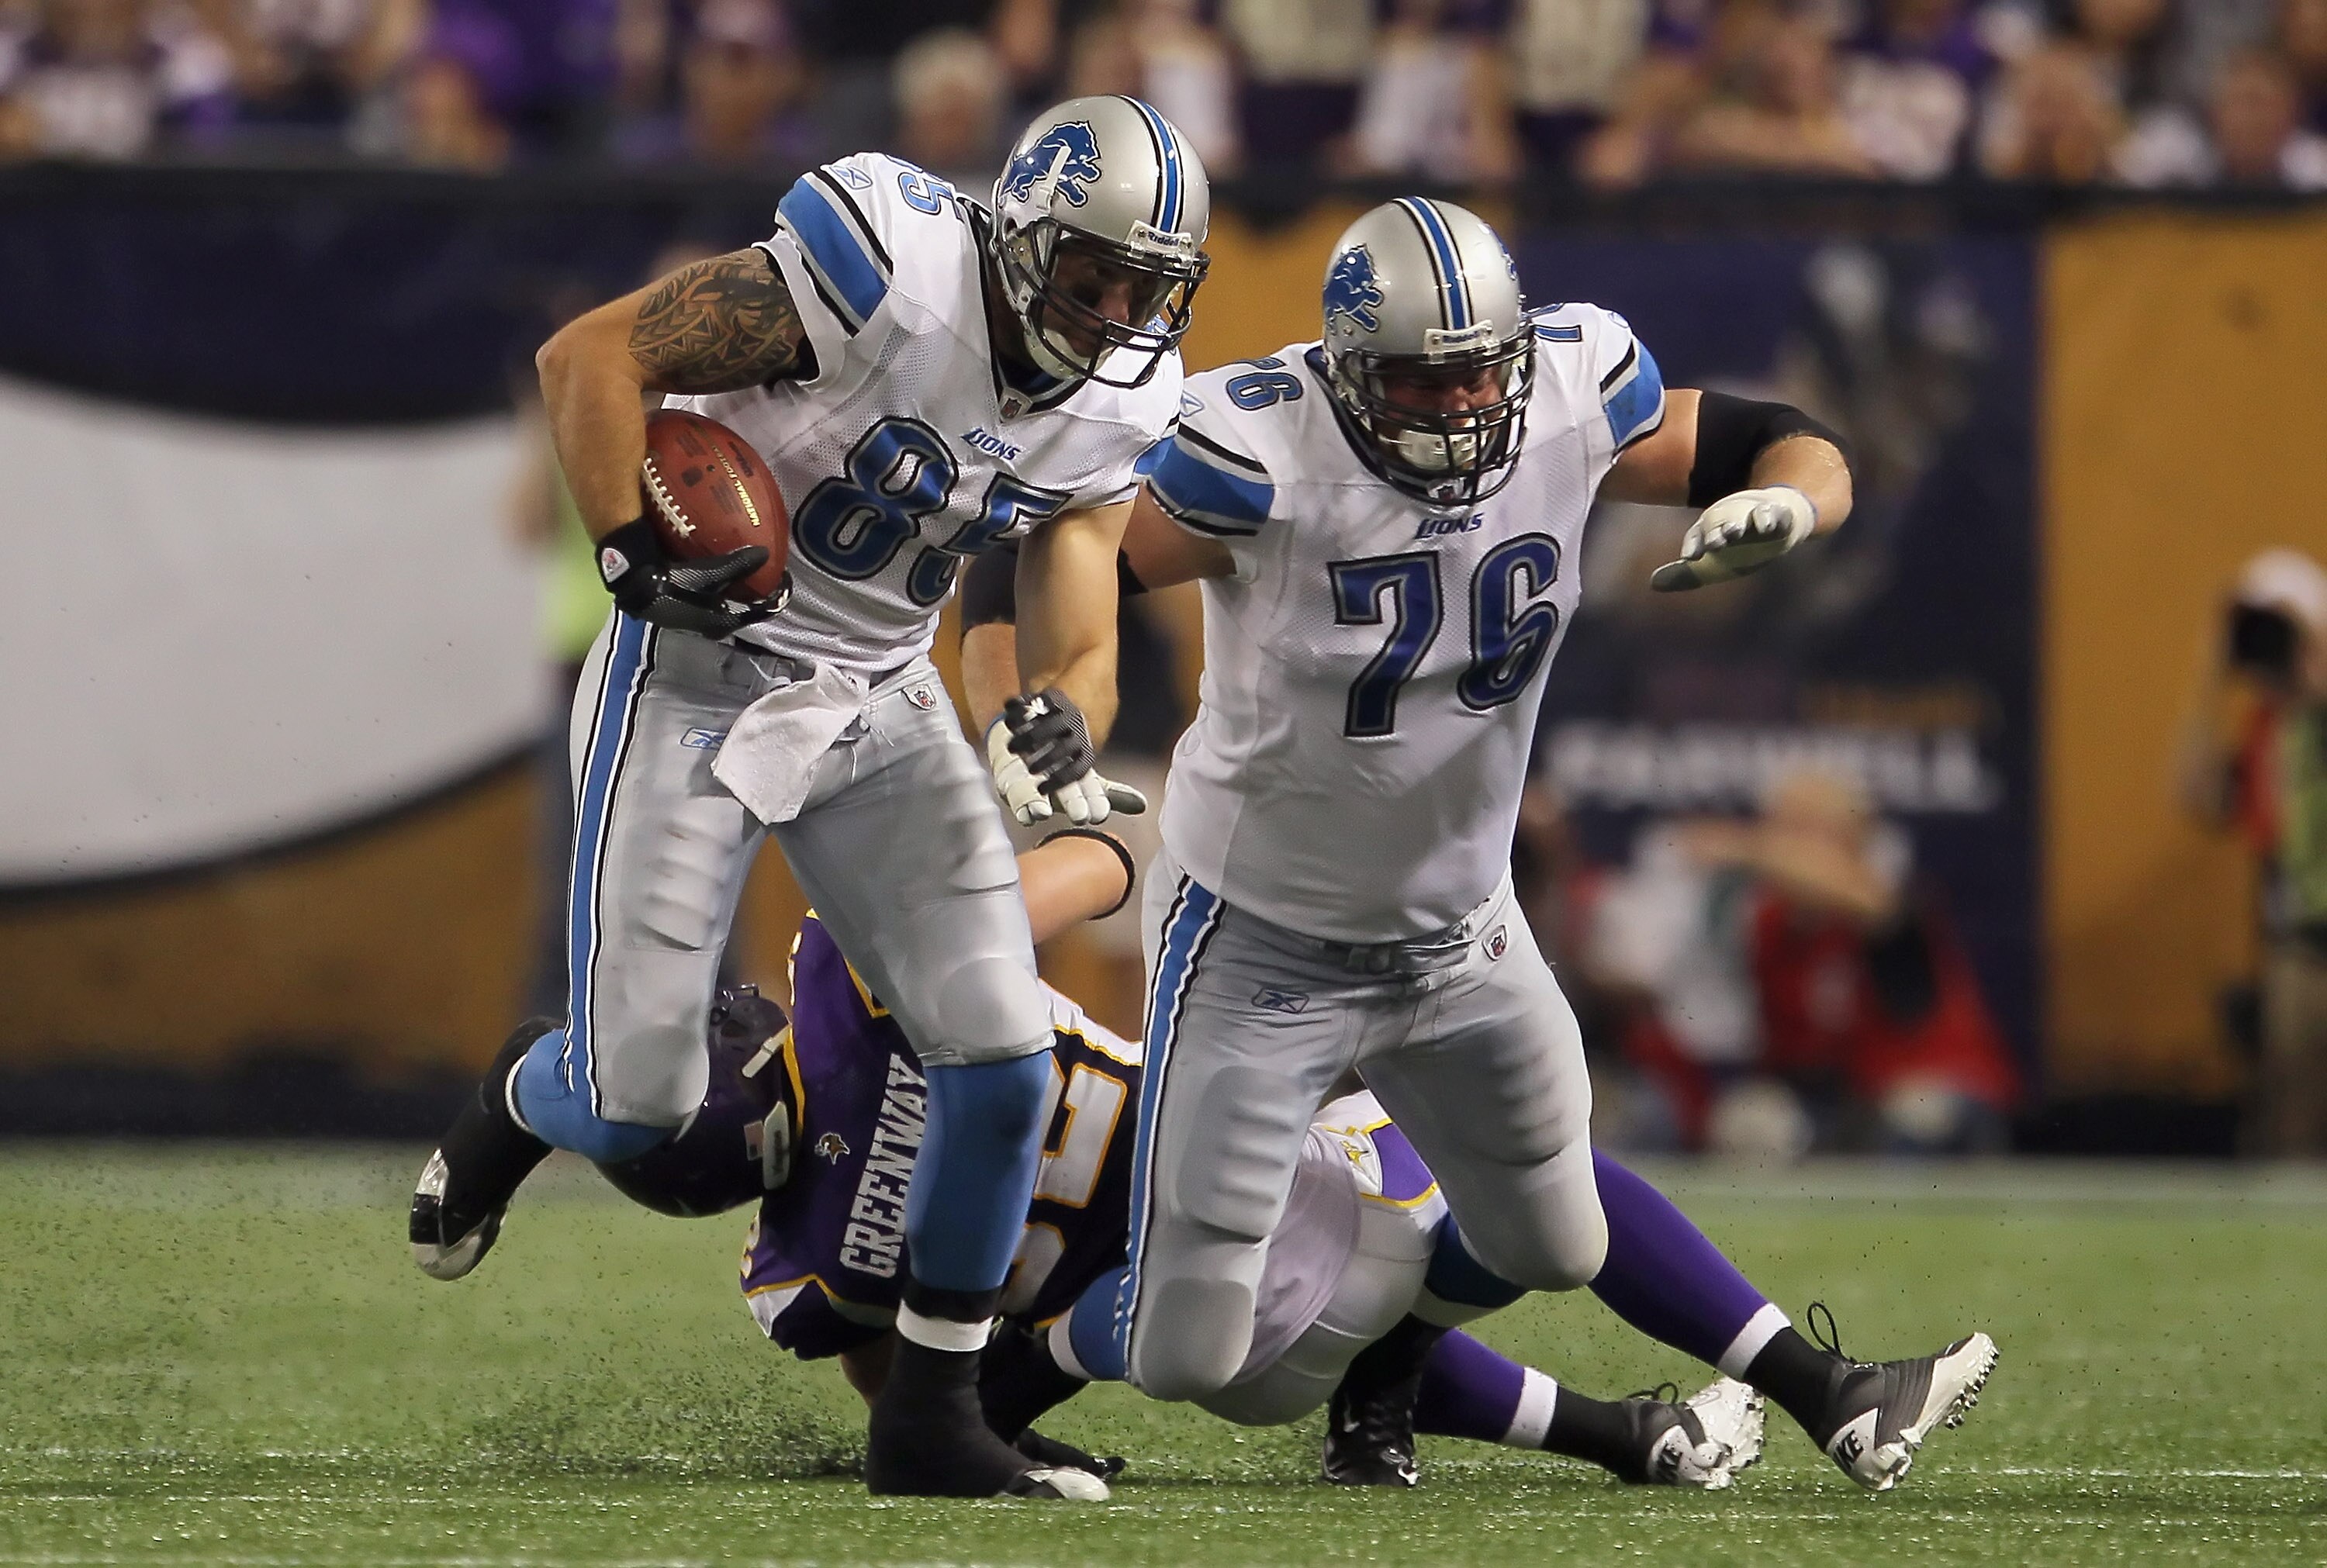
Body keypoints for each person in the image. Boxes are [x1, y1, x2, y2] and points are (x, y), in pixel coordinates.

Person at [957, 196, 1993, 1490]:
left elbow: (1792, 440)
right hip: (1258, 940)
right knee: (1187, 1351)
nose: (1456, 410)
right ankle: (997, 1369)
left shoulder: (1571, 386)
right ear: (1347, 368)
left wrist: (1788, 508)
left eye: (1475, 372)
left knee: (1553, 1231)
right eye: (1417, 379)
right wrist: (1024, 701)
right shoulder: (1258, 445)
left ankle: (1385, 1380)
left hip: (1458, 930)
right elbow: (1042, 545)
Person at [407, 95, 1212, 1501]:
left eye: (1147, 286)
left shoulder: (1125, 395)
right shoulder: (886, 260)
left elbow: (1073, 639)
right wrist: (627, 555)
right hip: (700, 668)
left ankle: (932, 1417)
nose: (1114, 311)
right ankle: (531, 1096)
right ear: (1021, 238)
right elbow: (589, 354)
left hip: (881, 690)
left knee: (1000, 1048)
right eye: (1092, 274)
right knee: (646, 1101)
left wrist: (1051, 722)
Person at [597, 833, 1991, 1491]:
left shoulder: (787, 1272)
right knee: (1512, 1175)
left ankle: (1618, 1433)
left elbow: (915, 1378)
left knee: (1357, 1281)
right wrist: (1064, 832)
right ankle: (1822, 1390)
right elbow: (1093, 872)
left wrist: (1004, 1402)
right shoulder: (856, 972)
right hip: (1236, 1219)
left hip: (1194, 1339)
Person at [2177, 549, 2327, 1155]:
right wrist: (2213, 678)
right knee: (2292, 1110)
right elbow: (2197, 796)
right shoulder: (2271, 731)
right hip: (2300, 945)